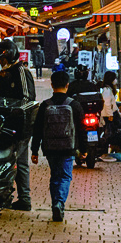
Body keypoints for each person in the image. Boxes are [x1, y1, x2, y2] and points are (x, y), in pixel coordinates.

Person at [31, 70, 80, 222]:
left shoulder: (45, 105)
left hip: (50, 147)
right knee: (65, 176)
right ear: (67, 85)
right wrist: (82, 149)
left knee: (55, 176)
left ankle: (55, 204)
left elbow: (37, 130)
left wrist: (34, 151)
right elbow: (81, 129)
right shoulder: (74, 105)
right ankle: (60, 203)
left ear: (52, 85)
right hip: (68, 147)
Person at [0, 46, 36, 212]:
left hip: (20, 127)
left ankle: (18, 198)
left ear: (9, 57)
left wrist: (15, 113)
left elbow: (27, 98)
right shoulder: (3, 74)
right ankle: (11, 197)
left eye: (2, 59)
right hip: (5, 125)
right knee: (11, 161)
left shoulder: (22, 72)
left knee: (16, 162)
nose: (0, 62)